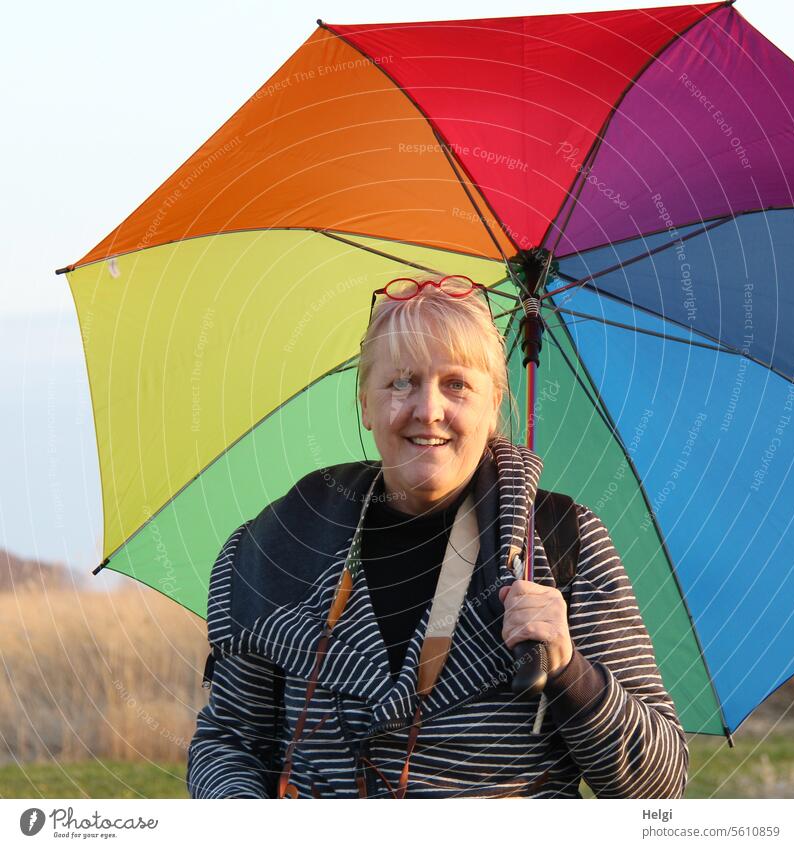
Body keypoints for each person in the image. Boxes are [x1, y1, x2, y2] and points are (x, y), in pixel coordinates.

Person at [187, 273, 688, 799]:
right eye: (401, 381)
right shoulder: (282, 545)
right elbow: (229, 743)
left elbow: (659, 786)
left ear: (494, 405)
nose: (427, 409)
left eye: (456, 384)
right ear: (365, 402)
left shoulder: (563, 544)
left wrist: (568, 668)